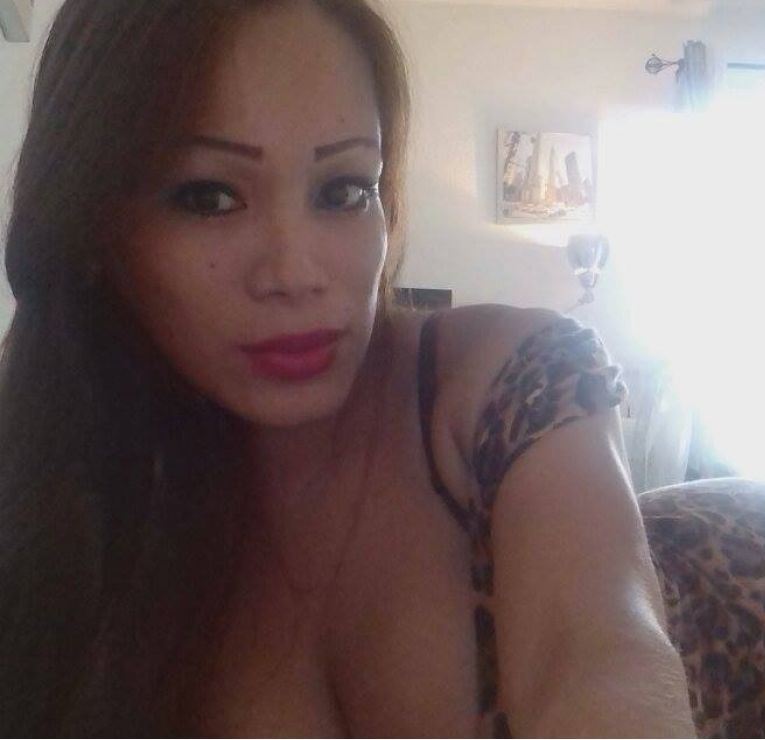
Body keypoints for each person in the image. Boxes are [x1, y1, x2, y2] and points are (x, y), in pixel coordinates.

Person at [0, 0, 696, 736]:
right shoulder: (58, 484)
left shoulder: (510, 385)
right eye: (208, 196)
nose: (295, 273)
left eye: (343, 190)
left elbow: (596, 654)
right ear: (95, 228)